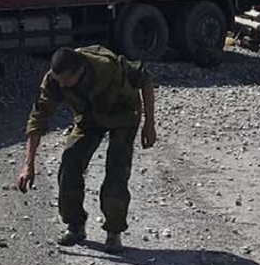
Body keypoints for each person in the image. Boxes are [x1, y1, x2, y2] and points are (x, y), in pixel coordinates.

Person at [14, 45, 157, 253]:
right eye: (58, 79)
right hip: (88, 118)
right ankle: (75, 226)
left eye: (65, 80)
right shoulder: (55, 79)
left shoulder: (110, 67)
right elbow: (38, 119)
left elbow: (145, 80)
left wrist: (149, 124)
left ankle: (113, 231)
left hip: (123, 116)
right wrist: (28, 164)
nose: (61, 85)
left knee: (116, 173)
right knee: (70, 164)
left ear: (79, 71)